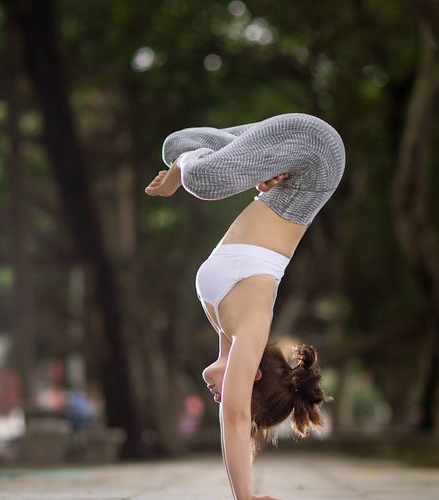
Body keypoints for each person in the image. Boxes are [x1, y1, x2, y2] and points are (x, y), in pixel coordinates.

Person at [145, 113, 345, 500]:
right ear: (252, 376)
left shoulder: (227, 330)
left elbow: (238, 412)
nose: (219, 398)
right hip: (318, 159)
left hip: (295, 165)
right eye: (230, 395)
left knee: (175, 145)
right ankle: (187, 172)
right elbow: (235, 418)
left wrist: (268, 170)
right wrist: (245, 496)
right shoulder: (252, 327)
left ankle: (213, 167)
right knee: (200, 178)